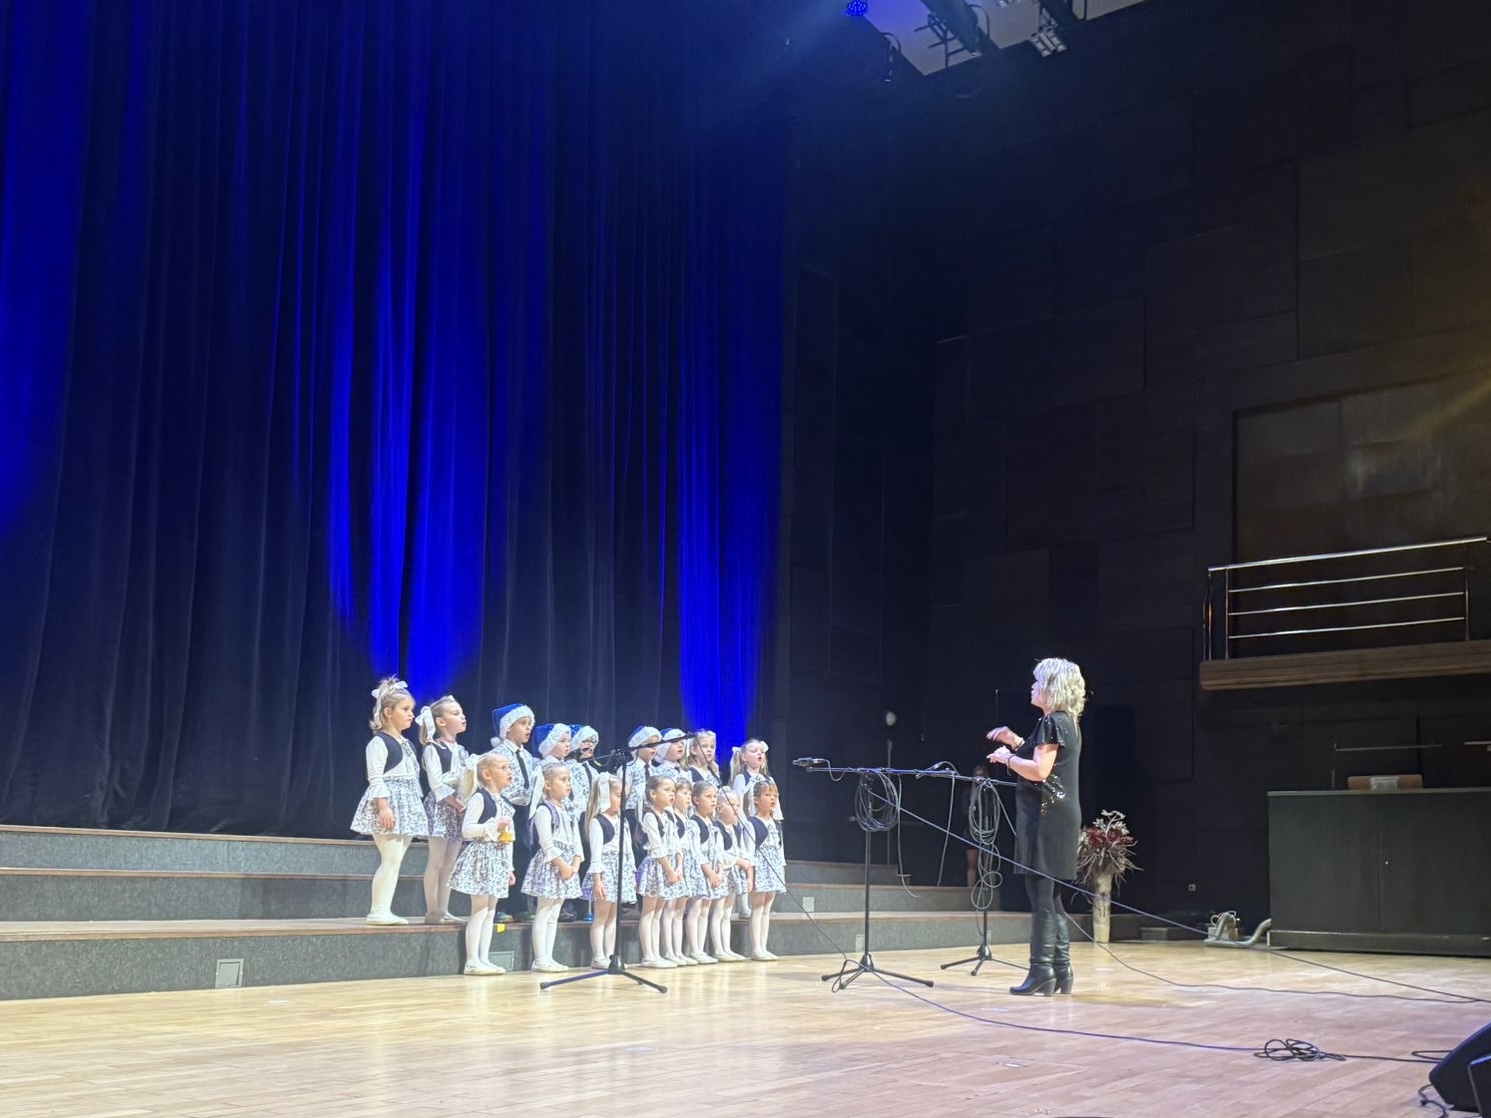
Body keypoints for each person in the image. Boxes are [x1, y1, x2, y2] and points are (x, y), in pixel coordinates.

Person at [986, 657, 1085, 997]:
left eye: (1038, 682)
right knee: (1051, 897)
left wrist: (1007, 758)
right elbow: (1044, 760)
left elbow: (1040, 771)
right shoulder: (1065, 721)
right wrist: (1015, 740)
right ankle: (1061, 970)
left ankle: (1042, 971)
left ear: (1052, 688)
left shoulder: (1052, 722)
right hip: (1058, 815)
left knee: (1042, 897)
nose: (1032, 687)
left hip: (1046, 817)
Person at [350, 677, 430, 925]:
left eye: (411, 709)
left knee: (396, 860)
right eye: (405, 709)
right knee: (391, 858)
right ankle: (378, 910)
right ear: (388, 712)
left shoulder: (406, 744)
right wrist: (383, 806)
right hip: (389, 803)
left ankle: (384, 908)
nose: (411, 714)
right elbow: (375, 777)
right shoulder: (379, 742)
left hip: (406, 802)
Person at [448, 754, 517, 975]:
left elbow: (509, 838)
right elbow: (467, 830)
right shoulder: (480, 798)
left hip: (498, 859)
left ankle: (484, 958)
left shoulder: (504, 802)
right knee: (479, 910)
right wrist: (493, 825)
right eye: (503, 768)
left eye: (509, 767)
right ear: (487, 774)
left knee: (490, 911)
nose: (509, 772)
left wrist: (509, 867)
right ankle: (471, 960)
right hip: (482, 857)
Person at [521, 760, 584, 972]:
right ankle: (540, 958)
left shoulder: (569, 810)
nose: (568, 784)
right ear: (548, 785)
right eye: (563, 780)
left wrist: (576, 863)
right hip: (552, 864)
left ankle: (549, 956)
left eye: (569, 780)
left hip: (568, 865)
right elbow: (546, 843)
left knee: (555, 912)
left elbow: (576, 841)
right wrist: (562, 865)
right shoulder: (544, 810)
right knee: (544, 910)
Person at [417, 696, 471, 924]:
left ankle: (444, 909)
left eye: (462, 712)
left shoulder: (462, 750)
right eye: (456, 713)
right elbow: (436, 783)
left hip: (458, 809)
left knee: (450, 862)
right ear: (440, 721)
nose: (462, 716)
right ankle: (432, 911)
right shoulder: (433, 748)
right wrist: (456, 803)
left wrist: (466, 801)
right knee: (437, 860)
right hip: (442, 807)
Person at [485, 703, 537, 920]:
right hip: (504, 808)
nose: (528, 728)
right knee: (503, 855)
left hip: (522, 811)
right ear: (507, 728)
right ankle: (499, 906)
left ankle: (518, 905)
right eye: (522, 723)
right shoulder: (497, 754)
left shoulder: (527, 756)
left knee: (522, 854)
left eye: (530, 724)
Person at [582, 772, 634, 968]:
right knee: (601, 916)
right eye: (618, 795)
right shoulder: (598, 821)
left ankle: (611, 954)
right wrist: (597, 880)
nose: (622, 800)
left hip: (620, 870)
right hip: (605, 871)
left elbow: (628, 849)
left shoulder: (623, 821)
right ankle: (598, 956)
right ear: (605, 794)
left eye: (624, 796)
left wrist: (631, 873)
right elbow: (596, 854)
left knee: (613, 917)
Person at [636, 774, 682, 968]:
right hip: (657, 866)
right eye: (667, 790)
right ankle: (648, 955)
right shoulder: (650, 816)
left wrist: (679, 866)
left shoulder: (669, 815)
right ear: (653, 794)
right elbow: (657, 846)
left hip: (670, 866)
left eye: (673, 791)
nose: (672, 794)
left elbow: (676, 843)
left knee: (658, 913)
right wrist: (670, 870)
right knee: (648, 912)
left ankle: (656, 953)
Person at [745, 779, 785, 961]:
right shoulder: (751, 823)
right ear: (756, 799)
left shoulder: (777, 824)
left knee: (767, 910)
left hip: (773, 868)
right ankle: (756, 948)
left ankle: (764, 946)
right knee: (758, 908)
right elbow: (749, 852)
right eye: (768, 795)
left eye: (775, 795)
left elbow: (780, 851)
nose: (772, 799)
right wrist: (750, 876)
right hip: (759, 868)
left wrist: (782, 873)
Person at [688, 781, 726, 964]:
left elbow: (718, 850)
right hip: (699, 871)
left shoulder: (712, 824)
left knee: (705, 910)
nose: (713, 800)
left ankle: (701, 949)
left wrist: (720, 870)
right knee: (695, 909)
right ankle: (694, 949)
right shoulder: (693, 823)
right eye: (708, 796)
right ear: (696, 800)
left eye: (714, 797)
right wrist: (709, 872)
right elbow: (696, 851)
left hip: (712, 871)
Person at [711, 790, 749, 961]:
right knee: (718, 912)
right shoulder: (716, 829)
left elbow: (739, 848)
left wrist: (745, 860)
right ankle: (718, 949)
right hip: (723, 873)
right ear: (719, 808)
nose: (736, 809)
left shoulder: (734, 829)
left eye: (738, 805)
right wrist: (737, 861)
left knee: (727, 914)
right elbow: (719, 853)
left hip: (733, 875)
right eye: (732, 805)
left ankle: (727, 948)